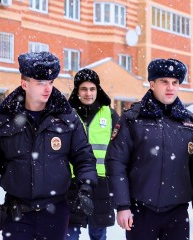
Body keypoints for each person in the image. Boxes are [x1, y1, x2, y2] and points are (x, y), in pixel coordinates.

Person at [0, 52, 98, 240]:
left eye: (50, 82)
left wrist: (86, 188)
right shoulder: (3, 120)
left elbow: (84, 158)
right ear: (24, 84)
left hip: (55, 212)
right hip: (16, 212)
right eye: (40, 82)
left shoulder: (67, 118)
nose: (47, 88)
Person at [104, 58, 193, 240]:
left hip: (177, 212)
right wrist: (122, 206)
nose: (170, 88)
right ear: (152, 84)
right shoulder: (132, 119)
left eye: (175, 83)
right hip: (141, 210)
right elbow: (116, 163)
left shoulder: (189, 124)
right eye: (164, 82)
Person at [66, 68, 119, 240]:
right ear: (77, 91)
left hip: (102, 183)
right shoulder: (67, 114)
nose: (88, 93)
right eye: (83, 89)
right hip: (73, 182)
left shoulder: (110, 114)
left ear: (97, 90)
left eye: (92, 89)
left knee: (98, 233)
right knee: (70, 233)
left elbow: (119, 149)